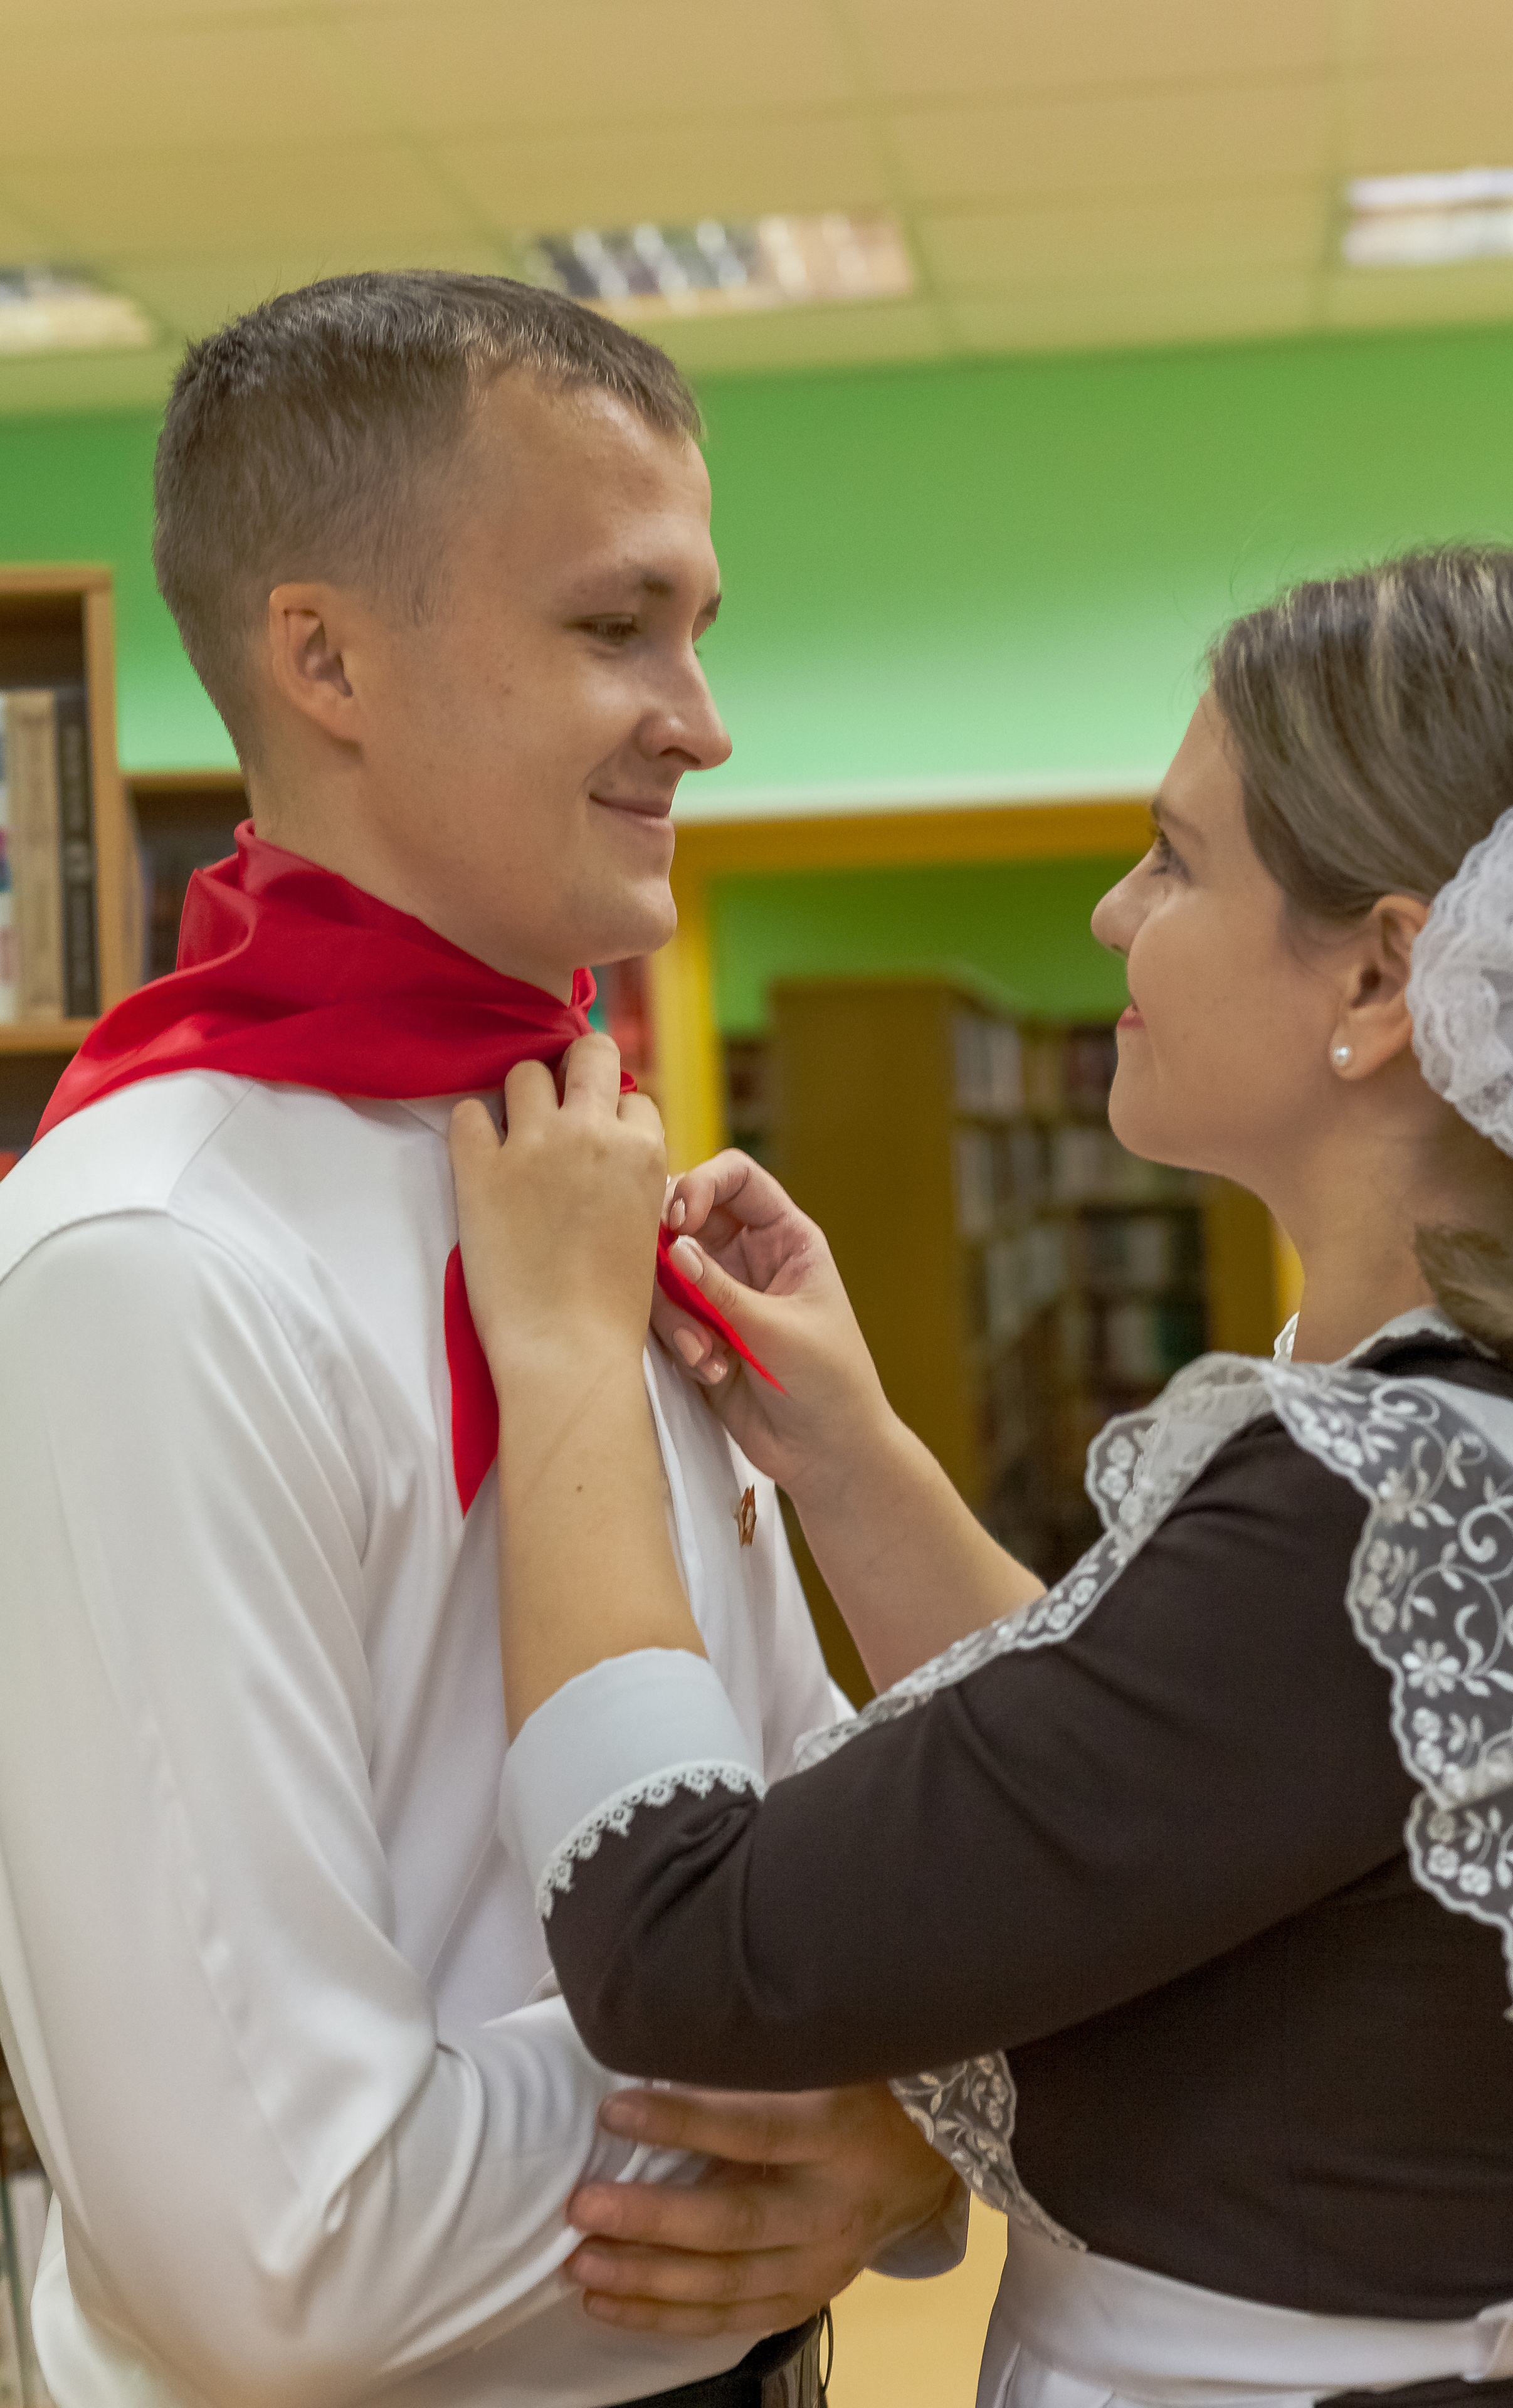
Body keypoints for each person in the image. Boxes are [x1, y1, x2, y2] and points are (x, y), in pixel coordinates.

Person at [451, 544, 1513, 2408]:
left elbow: (679, 1943)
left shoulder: (1392, 1504)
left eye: (1176, 860)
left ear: (1384, 975)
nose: (1111, 912)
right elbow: (1133, 1786)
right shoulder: (1493, 1433)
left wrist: (568, 1356)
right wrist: (850, 1456)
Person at [0, 273, 961, 2408]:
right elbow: (284, 2247)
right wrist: (871, 2073)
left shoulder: (587, 1161)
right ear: (324, 658)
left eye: (699, 630)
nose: (702, 721)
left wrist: (917, 2098)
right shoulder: (146, 1263)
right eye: (617, 627)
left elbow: (799, 1823)